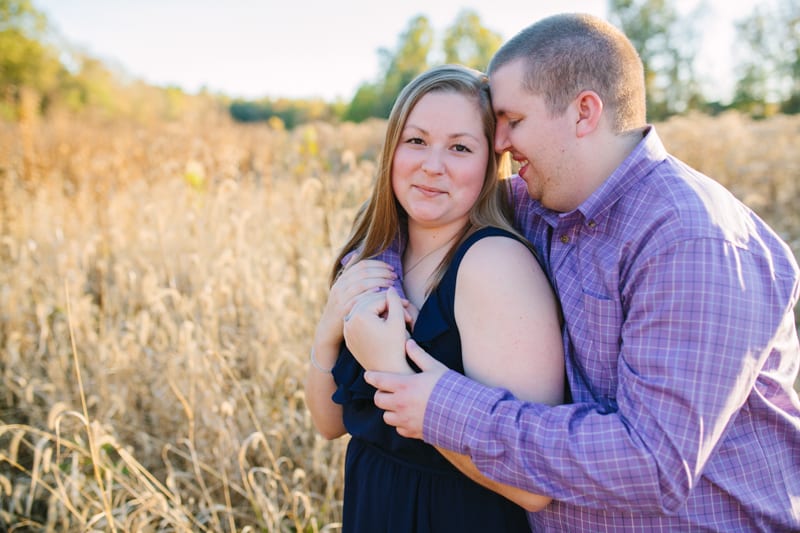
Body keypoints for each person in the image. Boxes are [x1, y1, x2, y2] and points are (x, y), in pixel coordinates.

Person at [352, 13, 800, 532]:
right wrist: (375, 287)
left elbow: (651, 466)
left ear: (584, 112)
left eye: (513, 120)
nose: (498, 142)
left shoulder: (691, 240)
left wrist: (440, 406)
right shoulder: (543, 200)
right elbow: (420, 216)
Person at [304, 64, 565, 532]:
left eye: (460, 147)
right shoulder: (379, 255)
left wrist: (391, 366)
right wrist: (328, 331)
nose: (432, 165)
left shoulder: (494, 267)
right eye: (417, 140)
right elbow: (331, 424)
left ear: (490, 164)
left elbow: (532, 486)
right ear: (392, 150)